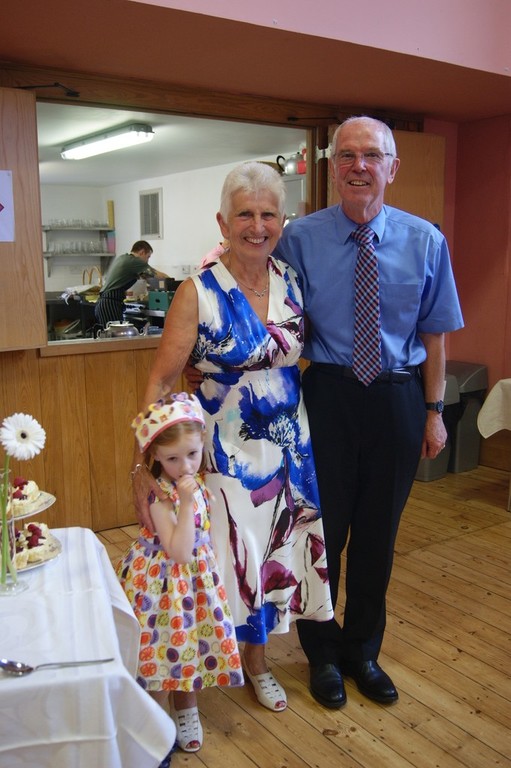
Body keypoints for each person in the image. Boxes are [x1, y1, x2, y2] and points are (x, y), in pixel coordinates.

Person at [273, 115, 464, 708]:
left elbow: (435, 336)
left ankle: (363, 651)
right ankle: (322, 654)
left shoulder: (425, 240)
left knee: (379, 536)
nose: (360, 165)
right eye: (348, 155)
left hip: (397, 399)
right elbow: (266, 311)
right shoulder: (297, 238)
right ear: (333, 166)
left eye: (372, 155)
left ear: (391, 167)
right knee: (321, 534)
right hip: (325, 395)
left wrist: (434, 411)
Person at [132, 161, 333, 714]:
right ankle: (187, 694)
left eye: (268, 213)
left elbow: (295, 355)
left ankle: (257, 662)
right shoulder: (198, 291)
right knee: (215, 565)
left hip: (289, 450)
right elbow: (161, 379)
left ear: (282, 220)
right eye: (245, 213)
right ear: (224, 221)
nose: (257, 225)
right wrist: (143, 472)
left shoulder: (290, 281)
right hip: (218, 454)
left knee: (266, 561)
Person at [117, 393, 243, 753]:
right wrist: (186, 502)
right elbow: (178, 549)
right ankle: (153, 718)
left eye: (191, 453)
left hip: (194, 580)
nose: (185, 465)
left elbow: (202, 536)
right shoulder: (160, 496)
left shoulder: (197, 482)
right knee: (159, 647)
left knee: (190, 639)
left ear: (202, 442)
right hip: (161, 584)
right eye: (172, 458)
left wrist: (213, 567)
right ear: (155, 456)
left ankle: (187, 707)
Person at [95, 239, 168, 327]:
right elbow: (160, 277)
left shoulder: (123, 258)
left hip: (103, 303)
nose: (147, 261)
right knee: (115, 338)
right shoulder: (135, 261)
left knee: (110, 336)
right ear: (142, 252)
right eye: (148, 257)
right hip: (110, 305)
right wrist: (173, 281)